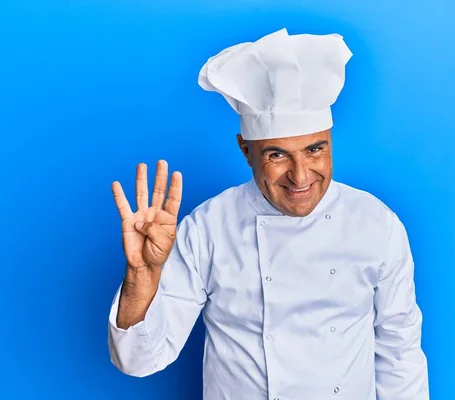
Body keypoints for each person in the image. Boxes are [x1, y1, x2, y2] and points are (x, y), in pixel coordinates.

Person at [107, 28, 429, 400]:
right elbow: (138, 360)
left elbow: (400, 353)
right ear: (246, 151)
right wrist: (141, 276)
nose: (301, 175)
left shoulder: (376, 224)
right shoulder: (208, 227)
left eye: (315, 150)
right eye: (277, 155)